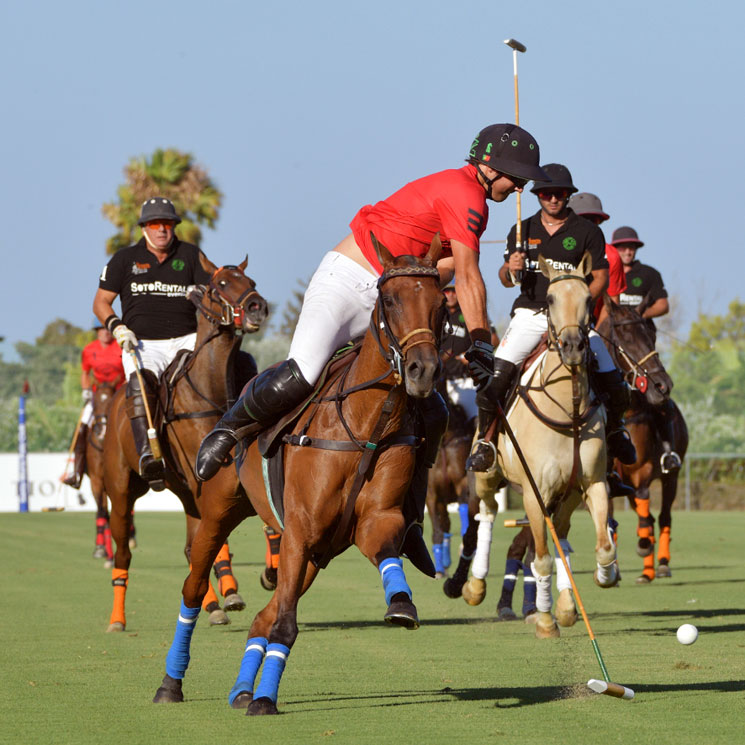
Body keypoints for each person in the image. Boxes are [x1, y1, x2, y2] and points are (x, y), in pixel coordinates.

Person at [196, 123, 549, 570]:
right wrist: (482, 342)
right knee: (303, 370)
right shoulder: (468, 195)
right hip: (346, 280)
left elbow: (439, 272)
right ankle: (228, 429)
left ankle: (411, 523)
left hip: (390, 299)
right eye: (515, 176)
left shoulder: (471, 199)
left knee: (432, 408)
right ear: (488, 165)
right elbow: (469, 273)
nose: (519, 186)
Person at [467, 163, 636, 471]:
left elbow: (599, 277)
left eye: (559, 194)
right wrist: (511, 268)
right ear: (537, 195)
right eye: (546, 194)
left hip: (571, 317)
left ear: (568, 195)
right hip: (530, 313)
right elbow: (506, 279)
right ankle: (486, 442)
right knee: (496, 377)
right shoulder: (522, 229)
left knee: (613, 378)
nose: (553, 200)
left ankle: (616, 431)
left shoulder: (588, 232)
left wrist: (581, 303)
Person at [93, 198, 213, 487]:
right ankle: (149, 453)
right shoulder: (124, 259)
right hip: (143, 343)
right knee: (141, 386)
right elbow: (101, 302)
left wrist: (200, 292)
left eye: (168, 224)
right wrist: (117, 327)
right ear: (144, 227)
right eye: (155, 224)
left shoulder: (191, 254)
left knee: (210, 381)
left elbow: (215, 291)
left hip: (186, 339)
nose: (162, 229)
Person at [611, 226, 680, 471]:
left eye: (631, 247)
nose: (627, 251)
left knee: (659, 396)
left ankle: (668, 451)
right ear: (615, 249)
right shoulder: (607, 272)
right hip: (615, 350)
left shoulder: (648, 274)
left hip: (642, 350)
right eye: (622, 247)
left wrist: (639, 316)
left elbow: (663, 305)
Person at [62, 320, 125, 488]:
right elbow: (85, 373)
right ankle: (77, 473)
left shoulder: (120, 347)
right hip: (98, 398)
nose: (105, 332)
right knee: (82, 427)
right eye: (101, 329)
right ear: (97, 331)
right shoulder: (89, 350)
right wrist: (86, 389)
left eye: (107, 329)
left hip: (119, 396)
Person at [568, 192, 626, 321]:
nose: (587, 225)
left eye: (593, 220)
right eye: (582, 219)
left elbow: (611, 302)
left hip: (591, 323)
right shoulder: (555, 245)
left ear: (599, 222)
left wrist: (597, 332)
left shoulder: (611, 255)